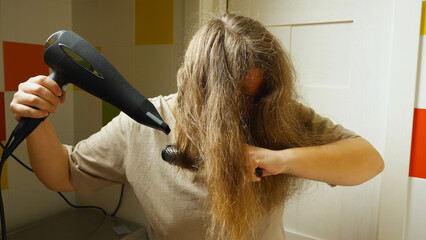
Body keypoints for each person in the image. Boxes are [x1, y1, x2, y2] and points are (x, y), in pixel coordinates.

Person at [10, 13, 384, 240]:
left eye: (254, 99)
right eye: (232, 101)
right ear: (195, 85)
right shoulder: (141, 126)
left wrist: (280, 159)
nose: (244, 113)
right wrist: (37, 119)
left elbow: (368, 161)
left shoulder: (273, 113)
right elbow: (63, 175)